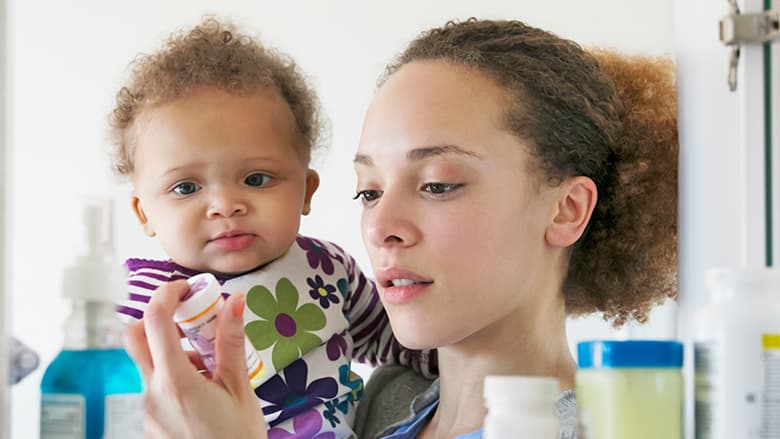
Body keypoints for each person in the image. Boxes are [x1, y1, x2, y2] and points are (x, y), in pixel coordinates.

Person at [124, 17, 677, 439]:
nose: (379, 227)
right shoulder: (381, 404)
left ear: (566, 209)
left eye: (437, 184)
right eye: (368, 191)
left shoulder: (606, 429)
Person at [111, 17, 434, 438]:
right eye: (186, 187)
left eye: (256, 179)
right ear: (144, 214)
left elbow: (396, 342)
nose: (226, 205)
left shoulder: (328, 268)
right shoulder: (145, 302)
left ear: (306, 191)